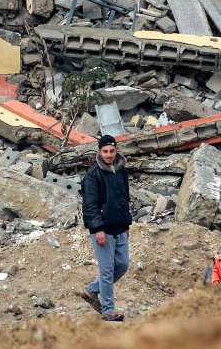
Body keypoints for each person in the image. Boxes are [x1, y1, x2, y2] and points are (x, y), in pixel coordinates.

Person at [80, 134, 132, 322]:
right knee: (107, 270)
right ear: (99, 152)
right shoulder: (93, 175)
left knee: (123, 264)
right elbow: (90, 205)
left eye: (112, 151)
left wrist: (126, 224)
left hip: (119, 228)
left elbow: (124, 200)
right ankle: (108, 310)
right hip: (103, 231)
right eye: (105, 151)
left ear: (116, 151)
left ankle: (91, 290)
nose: (109, 155)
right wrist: (97, 229)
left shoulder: (121, 172)